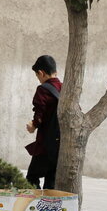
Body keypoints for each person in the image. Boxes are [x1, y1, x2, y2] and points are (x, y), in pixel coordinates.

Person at [25, 54, 62, 188]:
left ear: (41, 73)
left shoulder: (43, 90)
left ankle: (34, 207)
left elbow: (40, 114)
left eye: (37, 76)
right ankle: (48, 208)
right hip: (60, 145)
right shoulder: (64, 88)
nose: (39, 80)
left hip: (46, 144)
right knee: (51, 181)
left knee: (31, 178)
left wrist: (33, 125)